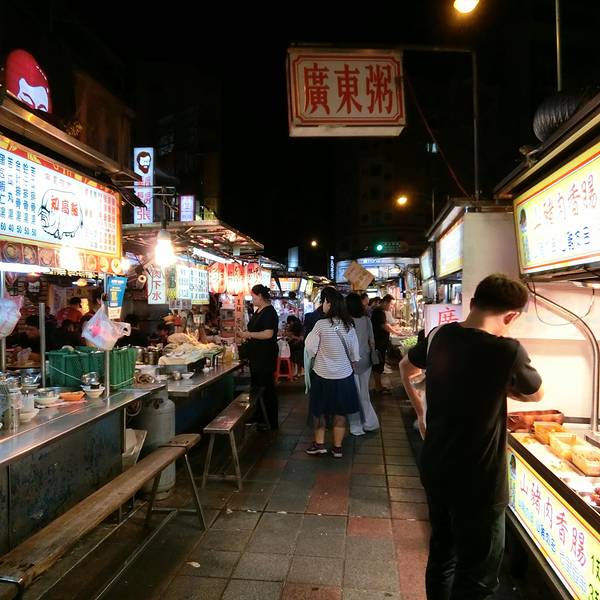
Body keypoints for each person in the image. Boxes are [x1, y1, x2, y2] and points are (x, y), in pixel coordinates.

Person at [399, 273, 544, 600]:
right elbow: (536, 393)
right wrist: (501, 385)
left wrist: (421, 412)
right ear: (512, 316)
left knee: (442, 557)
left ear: (474, 302)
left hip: (436, 467)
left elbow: (406, 368)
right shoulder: (507, 350)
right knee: (478, 577)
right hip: (480, 481)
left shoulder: (439, 335)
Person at [304, 288, 360, 458]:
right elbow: (355, 354)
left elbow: (310, 348)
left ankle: (320, 445)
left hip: (322, 375)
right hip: (344, 376)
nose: (323, 305)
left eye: (324, 302)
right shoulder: (349, 325)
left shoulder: (320, 325)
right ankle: (337, 448)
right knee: (340, 412)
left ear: (329, 304)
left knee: (319, 411)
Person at [238, 284, 279, 429]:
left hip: (265, 357)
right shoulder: (259, 311)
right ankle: (259, 415)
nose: (252, 299)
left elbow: (268, 334)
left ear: (260, 296)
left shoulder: (269, 312)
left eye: (253, 296)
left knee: (266, 387)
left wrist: (248, 334)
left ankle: (270, 421)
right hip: (256, 357)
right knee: (256, 387)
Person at [346, 292, 380, 435]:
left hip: (350, 362)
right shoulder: (366, 319)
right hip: (366, 360)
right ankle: (370, 423)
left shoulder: (345, 321)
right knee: (364, 393)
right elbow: (372, 340)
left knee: (354, 394)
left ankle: (356, 426)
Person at [370, 295, 397, 393]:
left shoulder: (379, 311)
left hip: (380, 342)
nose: (391, 307)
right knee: (378, 364)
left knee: (379, 364)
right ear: (385, 302)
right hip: (378, 342)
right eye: (391, 304)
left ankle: (379, 385)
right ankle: (378, 387)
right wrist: (397, 332)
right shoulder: (378, 312)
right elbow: (384, 326)